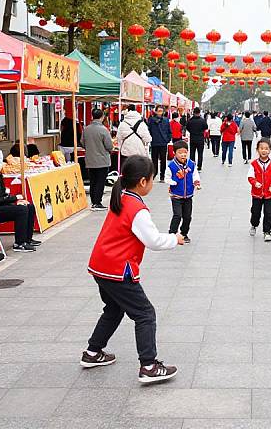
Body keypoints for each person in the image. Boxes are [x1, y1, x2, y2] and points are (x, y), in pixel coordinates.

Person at [82, 155, 184, 383]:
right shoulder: (137, 208)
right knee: (145, 314)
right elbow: (153, 240)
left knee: (114, 309)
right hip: (118, 269)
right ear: (142, 182)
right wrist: (173, 239)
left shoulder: (122, 197)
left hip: (101, 266)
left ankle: (92, 352)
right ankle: (148, 365)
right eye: (151, 179)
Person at [0, 145, 40, 252]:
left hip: (2, 204)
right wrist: (14, 199)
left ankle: (27, 239)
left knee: (29, 205)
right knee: (21, 210)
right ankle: (19, 243)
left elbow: (3, 194)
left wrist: (16, 200)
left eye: (0, 159)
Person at [164, 140, 201, 243]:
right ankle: (172, 234)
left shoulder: (191, 164)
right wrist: (174, 181)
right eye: (180, 152)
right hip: (176, 195)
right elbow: (167, 178)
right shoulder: (171, 166)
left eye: (185, 152)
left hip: (188, 195)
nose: (183, 154)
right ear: (174, 153)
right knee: (177, 215)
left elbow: (195, 175)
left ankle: (184, 234)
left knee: (187, 216)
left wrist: (196, 182)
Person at [248, 138, 271, 242]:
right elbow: (250, 176)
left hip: (269, 194)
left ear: (270, 150)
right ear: (257, 150)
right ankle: (254, 224)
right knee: (255, 212)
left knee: (269, 213)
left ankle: (267, 231)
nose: (264, 150)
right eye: (261, 148)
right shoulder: (254, 164)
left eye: (266, 148)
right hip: (257, 194)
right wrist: (255, 183)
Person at [82, 108, 114, 211]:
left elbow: (82, 142)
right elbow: (109, 146)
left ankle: (93, 201)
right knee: (100, 182)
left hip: (90, 160)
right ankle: (98, 202)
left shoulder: (86, 129)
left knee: (93, 181)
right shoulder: (104, 130)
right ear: (102, 117)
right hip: (102, 160)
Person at [147, 105, 171, 181]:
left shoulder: (166, 120)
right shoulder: (151, 120)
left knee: (163, 160)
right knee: (154, 160)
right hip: (154, 142)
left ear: (163, 112)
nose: (160, 113)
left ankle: (162, 175)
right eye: (158, 111)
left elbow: (169, 131)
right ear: (156, 111)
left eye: (161, 111)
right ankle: (154, 173)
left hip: (163, 143)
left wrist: (167, 139)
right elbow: (149, 130)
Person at [186, 107, 208, 172]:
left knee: (192, 153)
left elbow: (187, 128)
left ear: (194, 112)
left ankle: (192, 166)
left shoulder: (190, 120)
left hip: (193, 138)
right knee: (200, 153)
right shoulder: (202, 120)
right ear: (199, 112)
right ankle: (199, 166)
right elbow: (206, 127)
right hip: (200, 139)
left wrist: (192, 132)